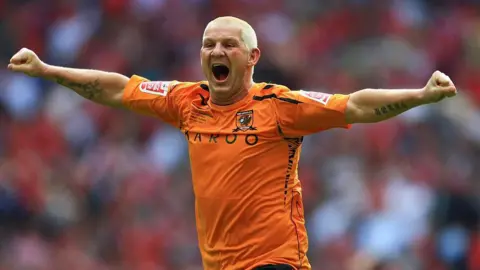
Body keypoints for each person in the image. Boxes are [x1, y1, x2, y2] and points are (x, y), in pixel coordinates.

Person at [7, 16, 456, 270]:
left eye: (228, 44)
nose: (216, 52)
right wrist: (48, 71)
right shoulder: (186, 101)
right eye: (208, 44)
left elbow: (355, 105)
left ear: (253, 57)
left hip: (274, 263)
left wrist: (421, 95)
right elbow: (114, 87)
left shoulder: (280, 106)